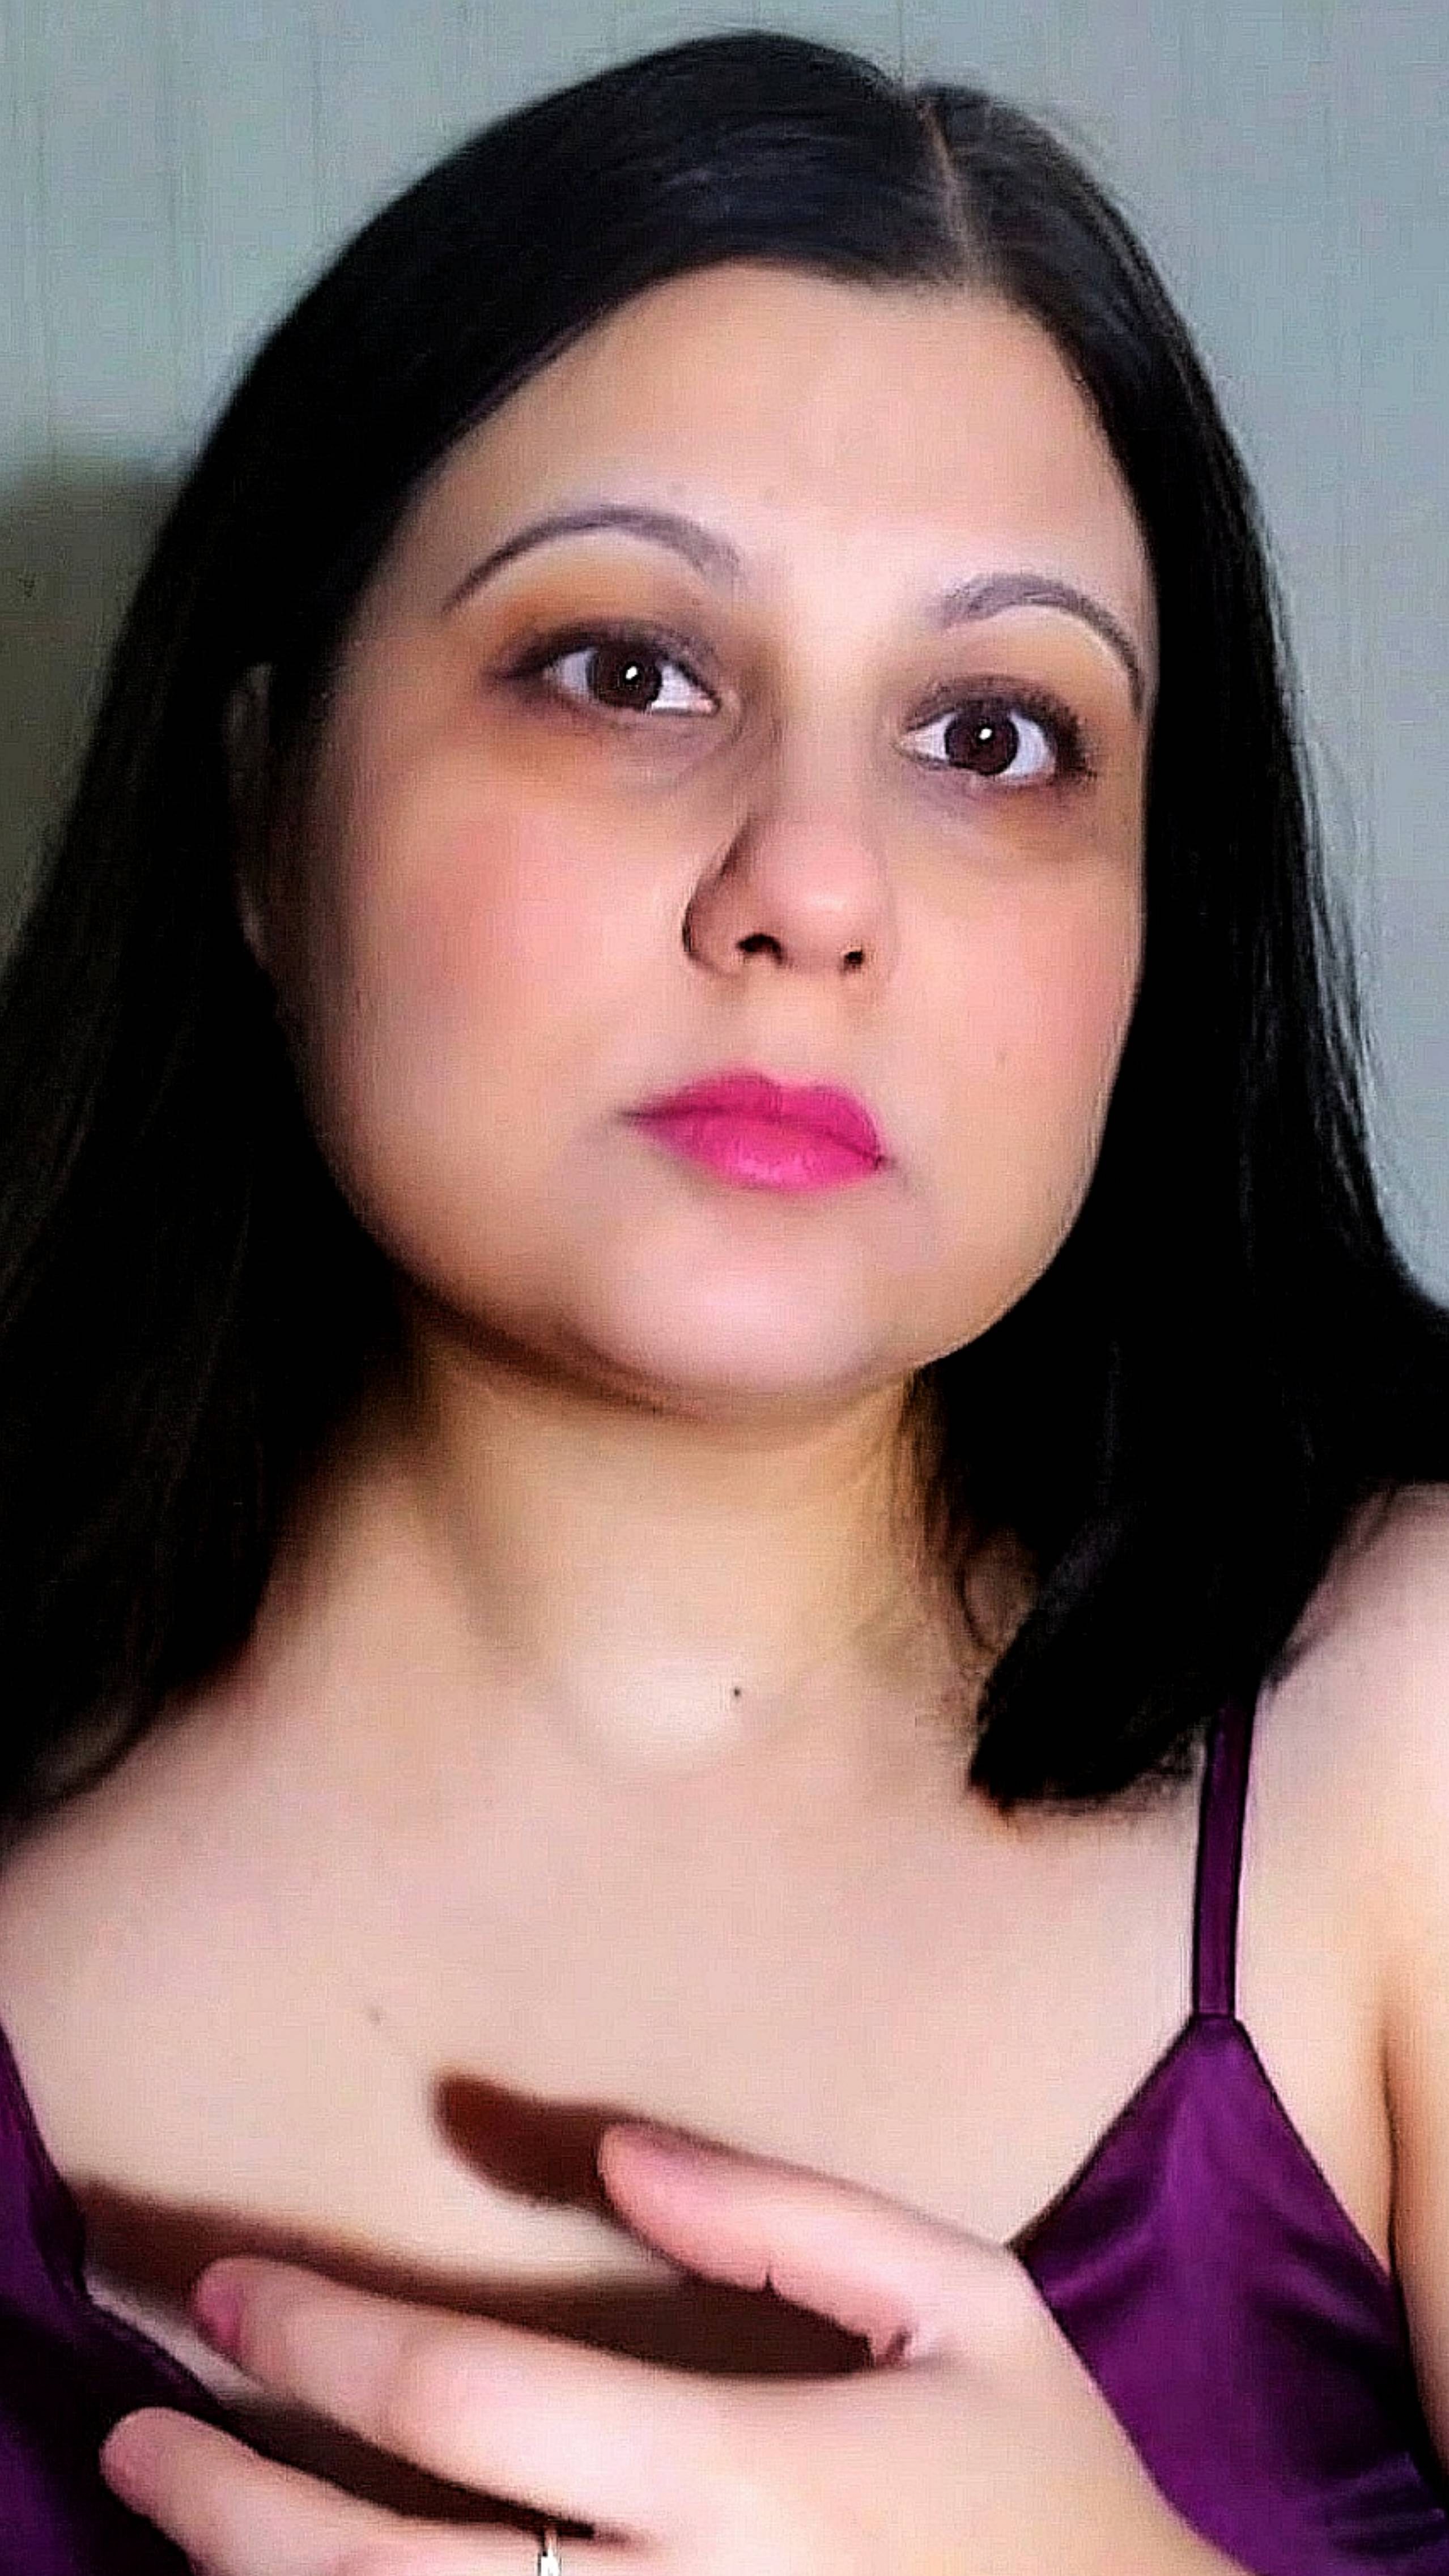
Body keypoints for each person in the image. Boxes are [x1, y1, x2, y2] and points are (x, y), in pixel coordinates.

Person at [1, 24, 1447, 2575]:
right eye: (626, 670)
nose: (814, 881)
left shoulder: (1407, 1741)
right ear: (257, 812)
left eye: (992, 733)